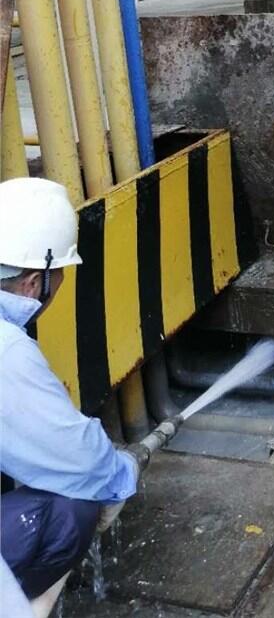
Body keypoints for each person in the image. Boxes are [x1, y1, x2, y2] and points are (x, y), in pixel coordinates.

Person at [0, 177, 138, 613]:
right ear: (34, 281)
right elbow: (79, 461)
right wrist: (122, 472)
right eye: (59, 274)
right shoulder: (6, 350)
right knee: (69, 509)